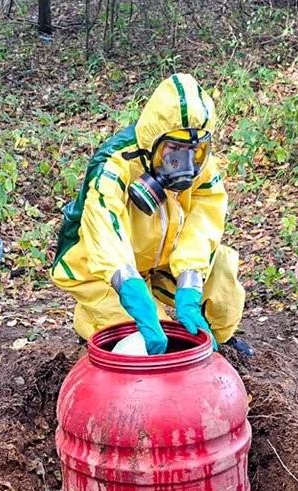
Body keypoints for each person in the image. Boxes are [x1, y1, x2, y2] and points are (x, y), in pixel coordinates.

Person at [50, 73, 250, 356]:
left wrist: (190, 282)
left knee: (222, 269)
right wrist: (131, 287)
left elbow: (205, 220)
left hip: (164, 255)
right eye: (174, 151)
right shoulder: (115, 163)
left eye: (194, 151)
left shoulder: (203, 165)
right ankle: (96, 328)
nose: (185, 164)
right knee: (146, 335)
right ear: (153, 141)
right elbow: (104, 231)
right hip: (105, 266)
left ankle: (215, 344)